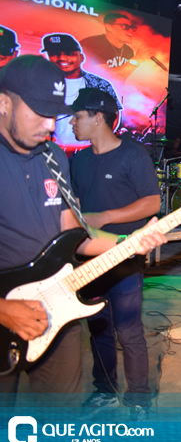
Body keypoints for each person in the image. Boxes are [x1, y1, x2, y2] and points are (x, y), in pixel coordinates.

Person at [0, 55, 166, 406]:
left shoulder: (54, 157)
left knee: (59, 413)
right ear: (4, 103)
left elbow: (72, 232)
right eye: (39, 112)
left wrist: (128, 243)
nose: (50, 125)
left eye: (55, 115)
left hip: (57, 306)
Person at [69, 88, 161, 420]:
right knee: (99, 329)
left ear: (98, 117)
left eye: (77, 116)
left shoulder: (133, 155)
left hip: (124, 256)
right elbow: (77, 206)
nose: (72, 123)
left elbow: (152, 202)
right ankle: (104, 392)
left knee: (128, 329)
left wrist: (105, 217)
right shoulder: (79, 160)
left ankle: (138, 399)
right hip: (89, 258)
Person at [40, 33, 123, 153]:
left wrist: (98, 143)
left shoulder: (99, 84)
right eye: (54, 54)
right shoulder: (41, 83)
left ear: (81, 57)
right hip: (52, 151)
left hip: (89, 152)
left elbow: (114, 116)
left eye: (69, 53)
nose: (62, 58)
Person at [80, 12, 153, 80]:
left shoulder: (128, 51)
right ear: (109, 27)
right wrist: (137, 59)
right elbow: (103, 77)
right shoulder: (91, 44)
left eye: (133, 28)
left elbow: (121, 79)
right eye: (125, 27)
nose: (131, 31)